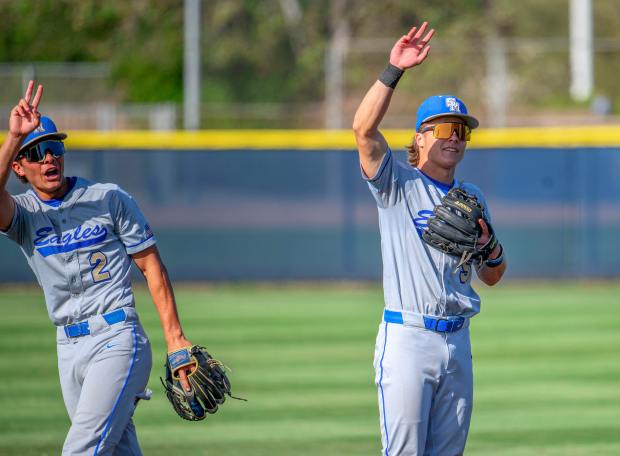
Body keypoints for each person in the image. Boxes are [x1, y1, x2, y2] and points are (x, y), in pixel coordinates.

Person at [0, 81, 196, 455]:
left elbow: (151, 266)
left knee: (81, 450)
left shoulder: (108, 199)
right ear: (19, 168)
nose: (49, 159)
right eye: (36, 152)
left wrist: (174, 339)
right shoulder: (24, 214)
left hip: (117, 337)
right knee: (117, 449)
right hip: (68, 347)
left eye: (54, 148)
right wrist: (13, 136)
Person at [352, 23, 507, 455]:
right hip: (409, 338)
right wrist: (393, 70)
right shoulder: (396, 184)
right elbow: (363, 131)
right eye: (443, 129)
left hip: (458, 340)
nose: (454, 137)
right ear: (419, 138)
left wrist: (490, 248)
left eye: (462, 130)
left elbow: (493, 275)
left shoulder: (471, 197)